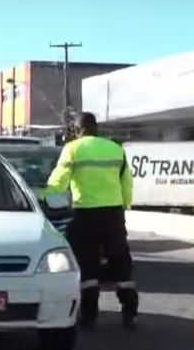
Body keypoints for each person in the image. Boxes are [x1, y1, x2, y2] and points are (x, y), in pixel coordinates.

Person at [42, 112, 138, 329]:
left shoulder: (73, 149)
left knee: (88, 263)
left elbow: (59, 181)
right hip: (113, 213)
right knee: (120, 260)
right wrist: (124, 205)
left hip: (85, 213)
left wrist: (42, 196)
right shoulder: (115, 149)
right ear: (96, 128)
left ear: (77, 129)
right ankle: (130, 310)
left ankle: (90, 314)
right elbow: (126, 182)